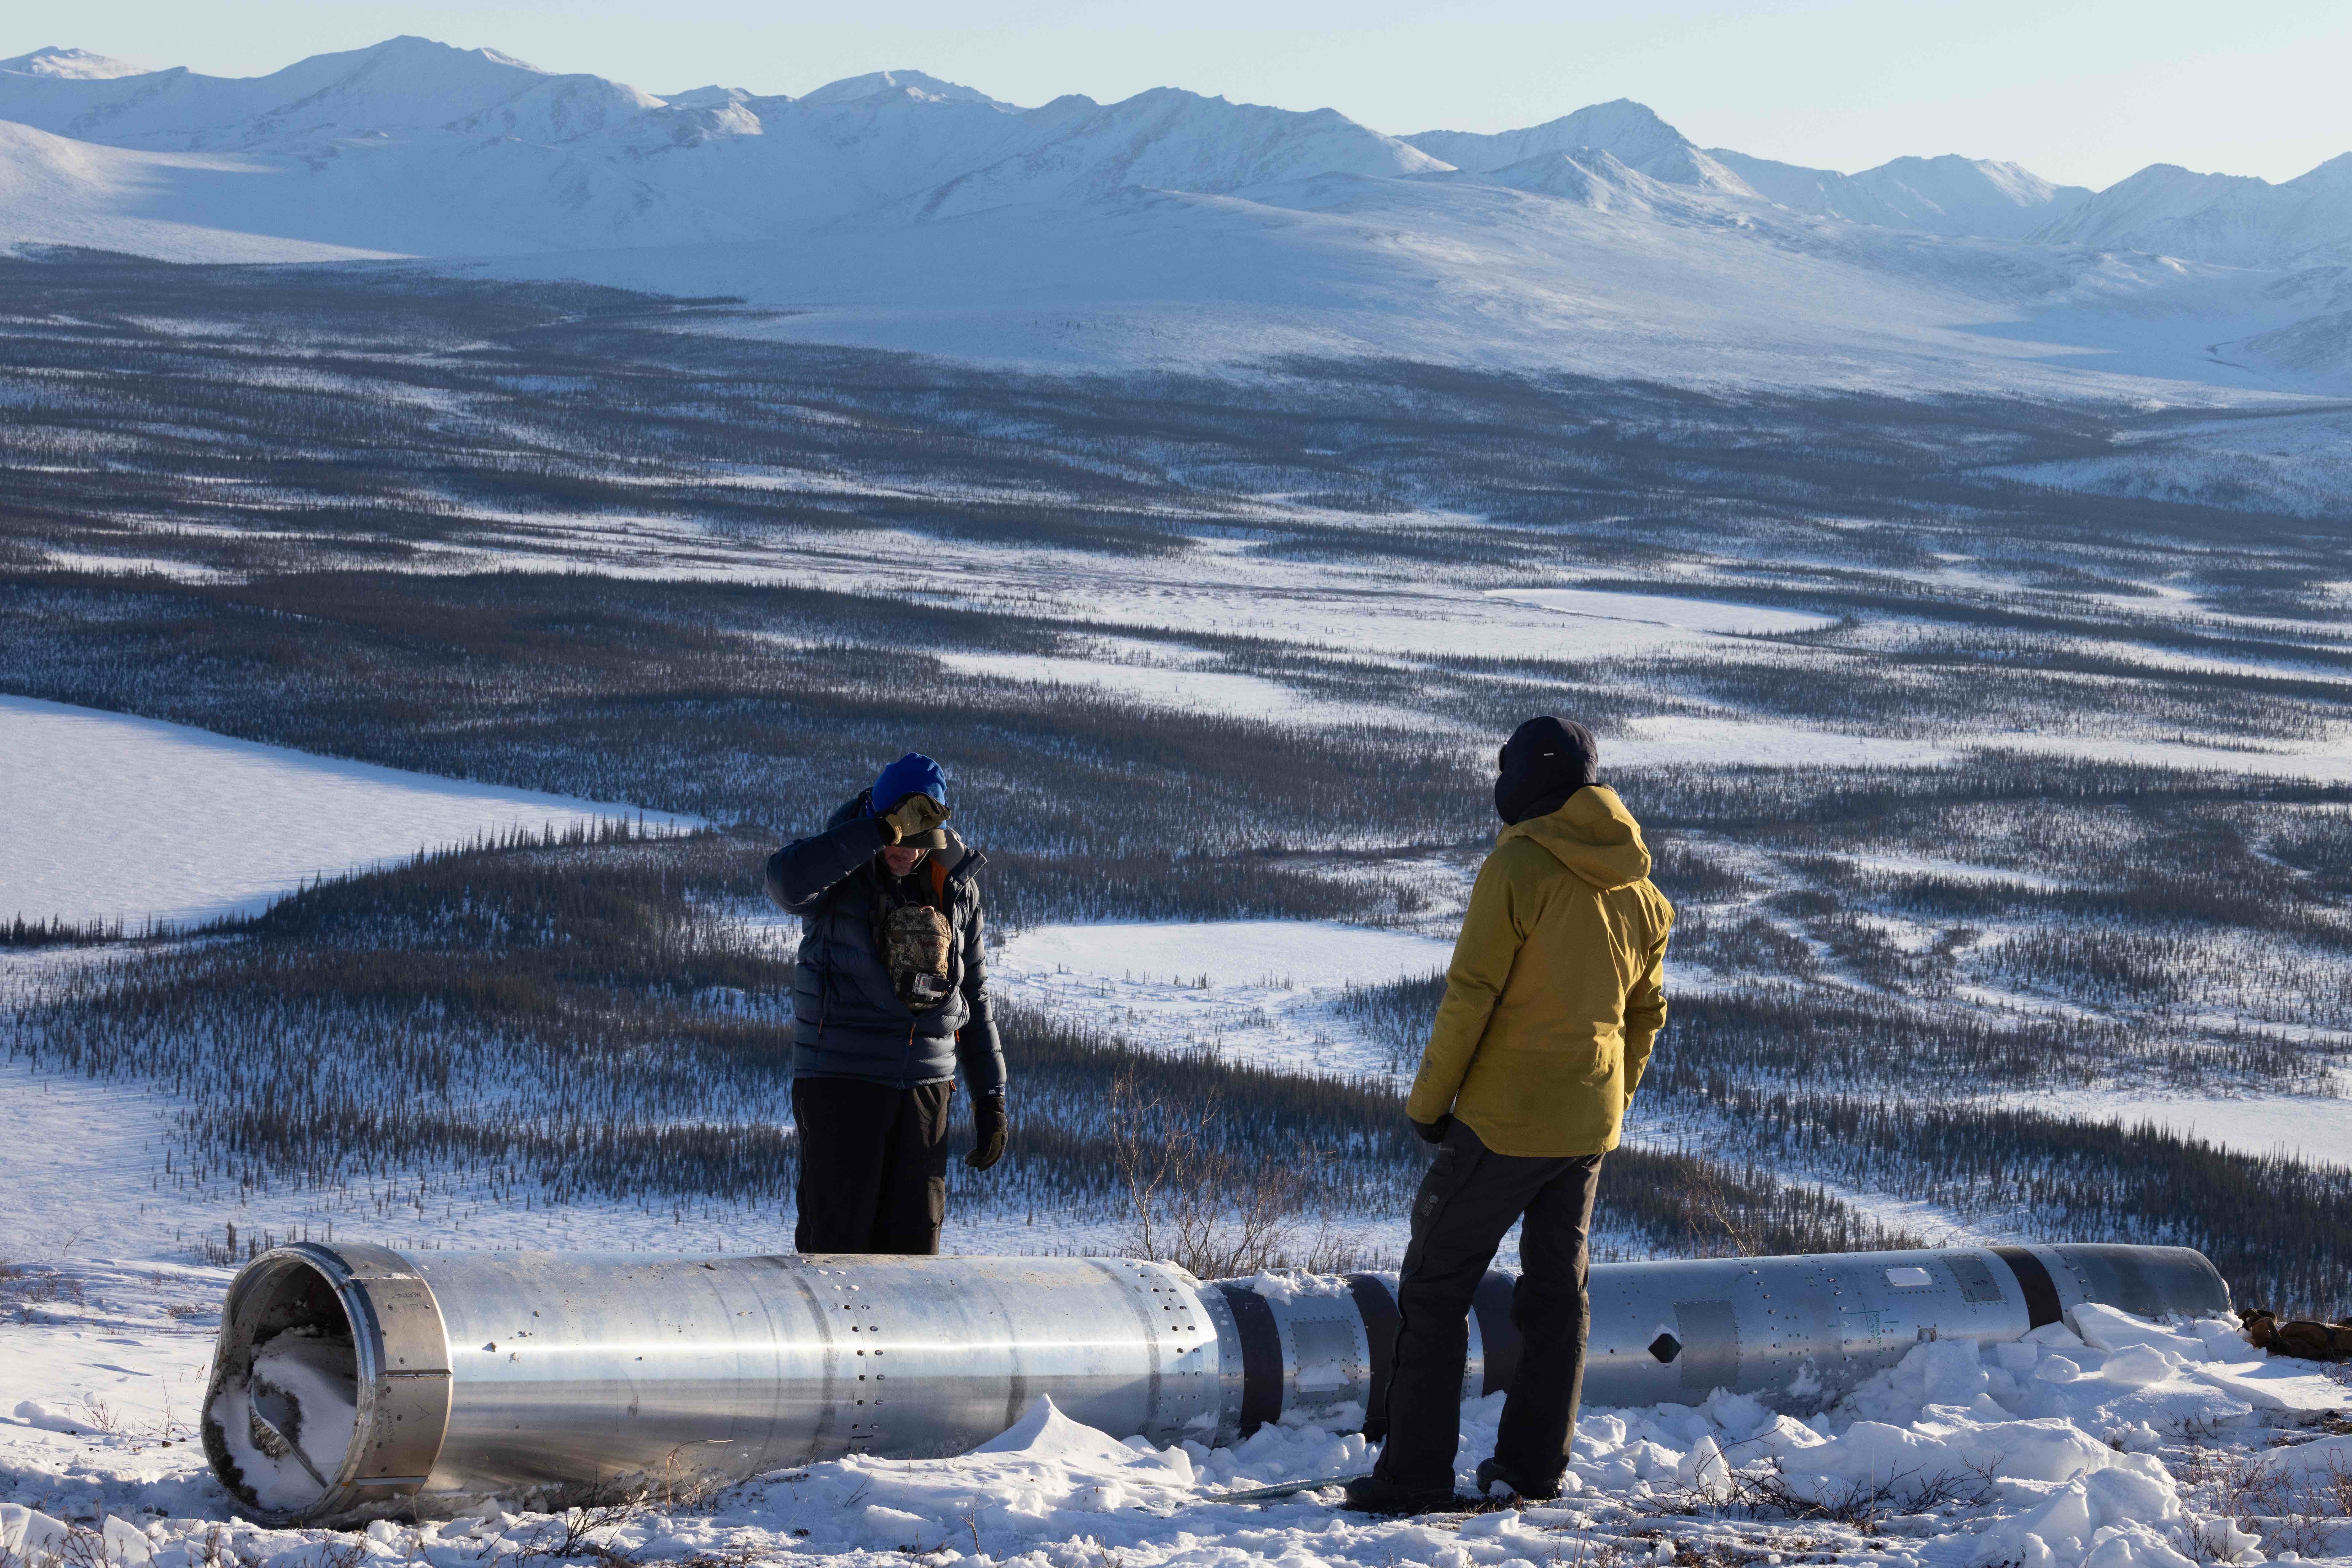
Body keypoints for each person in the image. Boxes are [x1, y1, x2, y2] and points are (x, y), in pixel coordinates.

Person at [1348, 717, 1674, 1514]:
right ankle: (1534, 1470)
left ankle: (1414, 1477)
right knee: (1559, 1297)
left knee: (1433, 1288)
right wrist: (1613, 1104)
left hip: (1503, 1124)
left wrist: (1431, 1106)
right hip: (1584, 1131)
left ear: (1528, 777)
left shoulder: (1521, 870)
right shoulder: (1642, 891)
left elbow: (1471, 998)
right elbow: (1647, 1015)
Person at [764, 752, 1008, 1254]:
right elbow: (785, 883)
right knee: (835, 1253)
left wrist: (991, 1098)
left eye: (919, 840)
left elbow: (975, 997)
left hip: (925, 1088)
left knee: (915, 1261)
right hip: (841, 1082)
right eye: (898, 838)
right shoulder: (837, 868)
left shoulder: (956, 885)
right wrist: (874, 832)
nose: (905, 851)